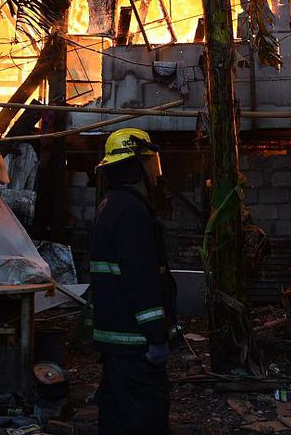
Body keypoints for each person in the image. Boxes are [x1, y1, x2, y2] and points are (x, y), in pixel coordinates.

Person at [90, 128, 177, 435]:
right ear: (132, 167)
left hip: (115, 339)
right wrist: (156, 336)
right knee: (146, 417)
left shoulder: (110, 206)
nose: (153, 172)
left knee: (116, 415)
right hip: (134, 341)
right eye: (147, 162)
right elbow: (142, 281)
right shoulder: (131, 212)